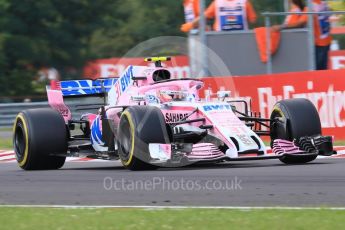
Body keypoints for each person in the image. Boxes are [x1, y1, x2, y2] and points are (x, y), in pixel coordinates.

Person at [272, 0, 332, 70]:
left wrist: (280, 27)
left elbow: (300, 24)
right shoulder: (322, 3)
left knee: (317, 71)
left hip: (319, 44)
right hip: (326, 41)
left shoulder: (310, 6)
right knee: (322, 70)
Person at [181, 0, 257, 33]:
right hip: (240, 37)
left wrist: (191, 24)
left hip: (220, 38)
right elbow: (253, 20)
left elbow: (204, 16)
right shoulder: (244, 2)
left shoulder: (217, 2)